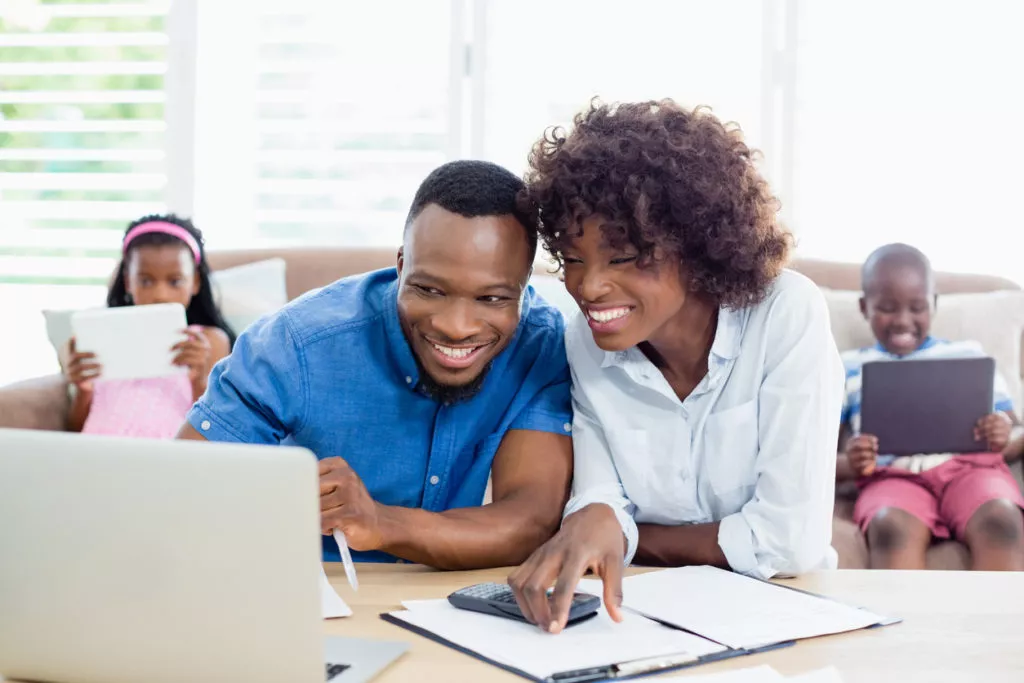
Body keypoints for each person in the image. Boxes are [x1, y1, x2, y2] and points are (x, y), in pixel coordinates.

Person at [508, 99, 845, 633]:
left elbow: (790, 541)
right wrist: (600, 517)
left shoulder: (785, 313)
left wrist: (629, 535)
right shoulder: (586, 340)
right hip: (636, 611)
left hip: (786, 610)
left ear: (695, 244)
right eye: (572, 259)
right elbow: (599, 497)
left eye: (621, 258)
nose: (588, 286)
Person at [177, 160, 574, 569]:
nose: (456, 328)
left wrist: (380, 521)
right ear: (401, 267)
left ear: (525, 286)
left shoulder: (541, 345)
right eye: (429, 289)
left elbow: (528, 521)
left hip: (446, 606)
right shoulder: (297, 343)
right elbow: (178, 487)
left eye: (492, 299)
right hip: (307, 589)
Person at [836, 243, 1024, 571]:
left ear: (934, 305)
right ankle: (906, 621)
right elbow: (816, 453)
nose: (902, 320)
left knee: (1002, 518)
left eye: (917, 307)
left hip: (972, 471)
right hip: (891, 477)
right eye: (887, 307)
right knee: (889, 526)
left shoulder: (970, 355)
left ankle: (996, 622)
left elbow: (1016, 430)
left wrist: (1003, 433)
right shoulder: (847, 367)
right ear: (865, 307)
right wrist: (852, 462)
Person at [64, 215, 234, 438]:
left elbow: (213, 430)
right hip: (99, 453)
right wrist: (82, 391)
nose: (160, 295)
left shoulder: (209, 342)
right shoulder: (102, 336)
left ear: (195, 282)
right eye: (145, 281)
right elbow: (76, 429)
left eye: (175, 281)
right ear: (127, 282)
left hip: (167, 460)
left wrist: (199, 381)